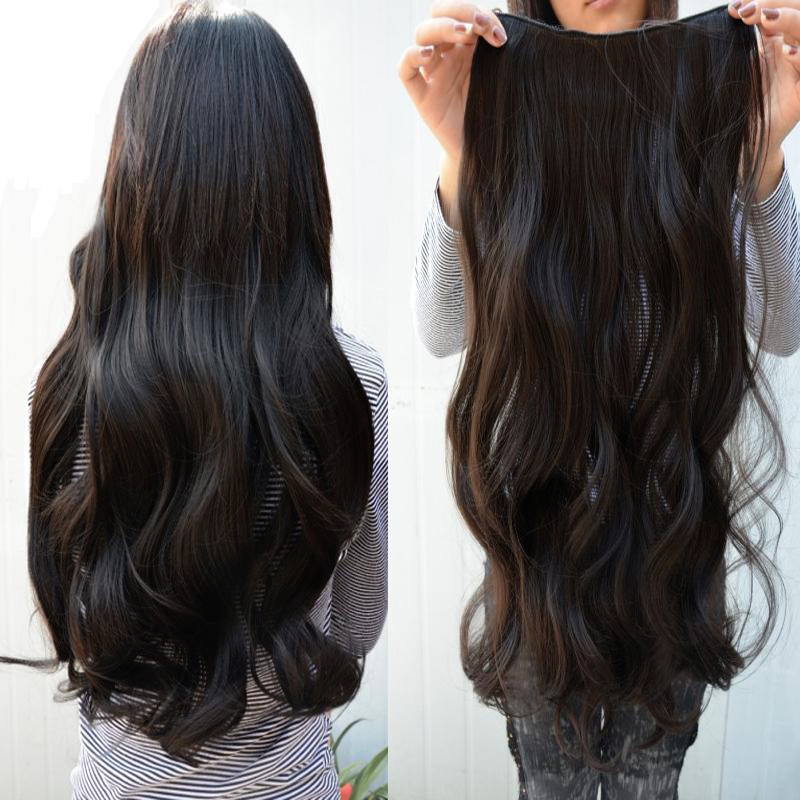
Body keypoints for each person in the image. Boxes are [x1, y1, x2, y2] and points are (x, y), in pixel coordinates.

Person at [399, 1, 800, 798]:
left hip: (672, 545)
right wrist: (460, 155)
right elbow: (442, 326)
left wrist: (761, 154)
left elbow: (782, 324)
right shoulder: (507, 127)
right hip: (537, 558)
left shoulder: (698, 117)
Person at [6, 3, 388, 798]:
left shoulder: (70, 386)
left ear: (133, 174)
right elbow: (356, 626)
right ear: (296, 179)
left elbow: (74, 614)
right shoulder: (350, 383)